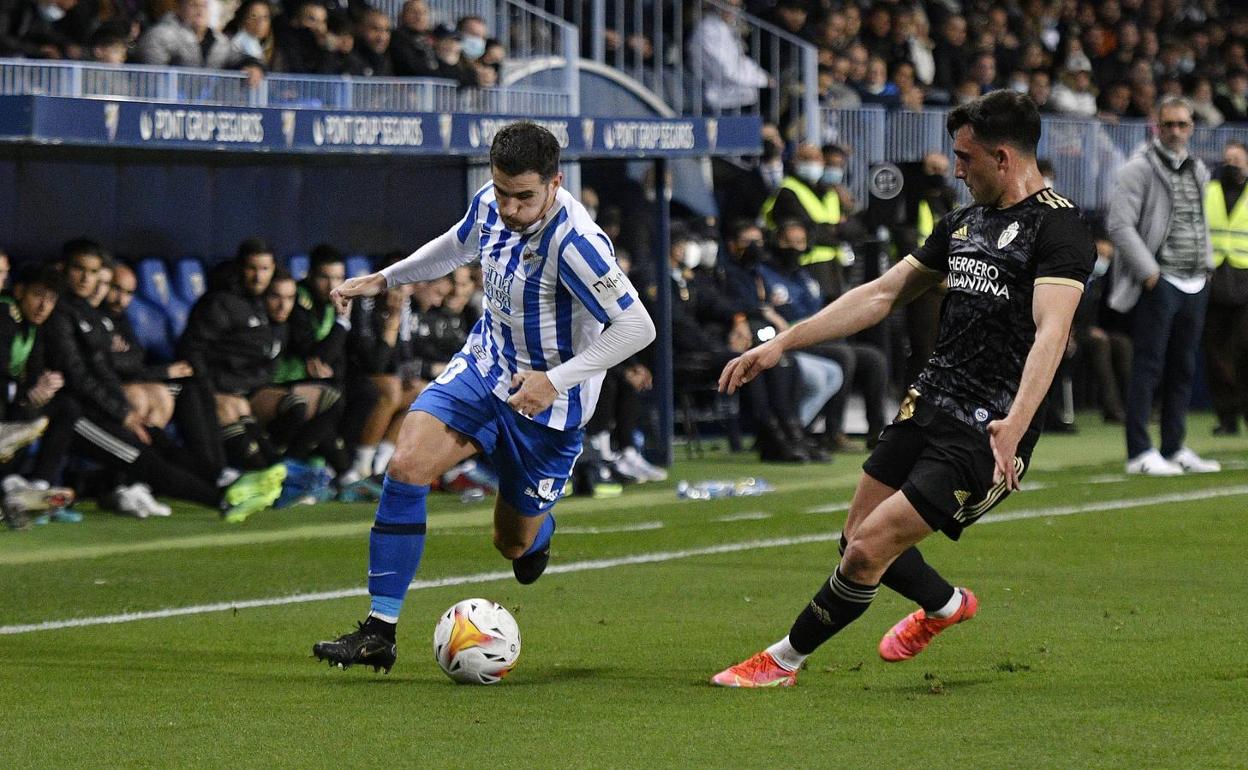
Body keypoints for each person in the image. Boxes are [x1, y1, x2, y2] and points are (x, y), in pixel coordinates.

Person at [710, 90, 1094, 687]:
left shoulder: (1060, 228)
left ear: (1002, 156)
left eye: (965, 158)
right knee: (852, 539)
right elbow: (880, 294)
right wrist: (783, 343)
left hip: (987, 427)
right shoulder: (963, 224)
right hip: (928, 400)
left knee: (867, 551)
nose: (957, 170)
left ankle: (782, 661)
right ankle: (946, 605)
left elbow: (1052, 330)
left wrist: (1015, 422)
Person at [312, 122, 655, 673]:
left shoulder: (577, 244)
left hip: (547, 406)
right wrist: (385, 279)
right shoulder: (492, 204)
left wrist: (556, 379)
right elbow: (455, 245)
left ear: (554, 183)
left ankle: (538, 529)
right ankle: (379, 630)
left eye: (525, 196)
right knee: (405, 465)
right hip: (484, 367)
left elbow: (638, 328)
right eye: (502, 192)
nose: (511, 207)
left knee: (511, 545)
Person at [1107, 97, 1220, 476]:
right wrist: (1150, 273)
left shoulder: (1198, 169)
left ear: (1191, 128)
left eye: (1182, 125)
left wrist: (1207, 264)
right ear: (1156, 127)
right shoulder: (1137, 169)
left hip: (1194, 278)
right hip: (1163, 278)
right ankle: (1139, 450)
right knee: (1148, 367)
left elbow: (1199, 220)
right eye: (1168, 124)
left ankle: (1173, 447)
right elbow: (1119, 225)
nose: (1175, 131)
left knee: (1183, 368)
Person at [1203, 140, 1248, 435]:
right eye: (1227, 158)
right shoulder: (1209, 191)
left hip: (1245, 282)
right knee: (1216, 354)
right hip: (1214, 280)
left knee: (1243, 350)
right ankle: (1227, 416)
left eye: (1237, 158)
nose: (1231, 163)